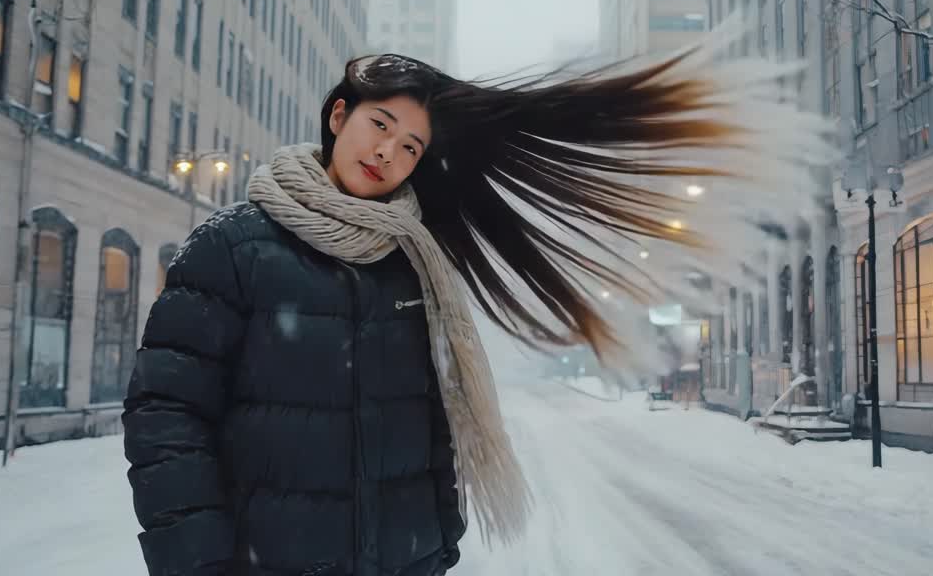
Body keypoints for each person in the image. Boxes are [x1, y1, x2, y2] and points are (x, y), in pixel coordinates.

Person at [123, 46, 831, 575]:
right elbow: (166, 416)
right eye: (379, 124)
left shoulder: (413, 261)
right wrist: (197, 562)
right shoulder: (233, 247)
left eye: (410, 146)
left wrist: (437, 541)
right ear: (338, 116)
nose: (388, 152)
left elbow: (431, 415)